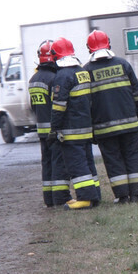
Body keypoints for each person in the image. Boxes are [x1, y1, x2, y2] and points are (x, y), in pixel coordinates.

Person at [83, 30, 138, 203]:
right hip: (130, 125)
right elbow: (137, 95)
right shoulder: (123, 64)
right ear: (108, 44)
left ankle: (122, 197)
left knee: (113, 161)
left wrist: (91, 131)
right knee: (132, 157)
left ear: (89, 48)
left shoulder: (86, 71)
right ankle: (136, 195)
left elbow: (85, 105)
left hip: (104, 130)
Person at [50, 37, 101, 210]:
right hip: (86, 128)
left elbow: (59, 106)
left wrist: (54, 128)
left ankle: (85, 199)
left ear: (55, 55)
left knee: (77, 165)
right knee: (88, 162)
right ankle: (95, 195)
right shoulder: (82, 72)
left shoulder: (62, 76)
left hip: (71, 130)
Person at [28, 40, 71, 207]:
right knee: (58, 163)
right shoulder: (54, 79)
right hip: (54, 130)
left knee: (46, 164)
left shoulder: (33, 79)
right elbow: (58, 105)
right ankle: (60, 198)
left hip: (41, 130)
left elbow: (33, 106)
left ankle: (49, 199)